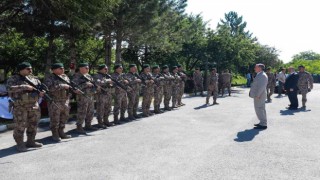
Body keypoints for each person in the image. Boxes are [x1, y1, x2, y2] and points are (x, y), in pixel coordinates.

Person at [7, 62, 44, 152]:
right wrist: (24, 87)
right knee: (20, 125)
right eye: (28, 68)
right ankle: (20, 144)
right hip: (20, 106)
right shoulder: (13, 79)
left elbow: (39, 88)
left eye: (31, 68)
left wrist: (41, 92)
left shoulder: (34, 78)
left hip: (33, 105)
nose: (30, 70)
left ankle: (31, 141)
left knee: (33, 124)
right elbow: (9, 89)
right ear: (21, 69)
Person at [44, 63, 73, 142]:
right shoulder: (50, 78)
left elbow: (69, 87)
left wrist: (69, 97)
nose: (62, 69)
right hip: (55, 101)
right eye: (60, 68)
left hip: (65, 100)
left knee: (64, 117)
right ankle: (55, 133)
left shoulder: (65, 77)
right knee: (55, 118)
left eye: (63, 68)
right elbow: (48, 89)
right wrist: (62, 86)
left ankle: (61, 131)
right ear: (54, 70)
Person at [73, 62, 99, 133]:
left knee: (90, 111)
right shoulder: (76, 76)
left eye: (88, 68)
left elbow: (93, 84)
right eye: (86, 68)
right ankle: (79, 127)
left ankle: (88, 125)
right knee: (82, 112)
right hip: (82, 97)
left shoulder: (89, 76)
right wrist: (85, 84)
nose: (88, 69)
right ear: (80, 68)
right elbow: (74, 87)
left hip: (90, 96)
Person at [249, 64, 268, 130]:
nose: (254, 68)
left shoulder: (262, 75)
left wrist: (258, 95)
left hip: (260, 95)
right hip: (260, 95)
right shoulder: (260, 74)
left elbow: (262, 86)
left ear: (259, 68)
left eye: (255, 67)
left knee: (259, 109)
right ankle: (262, 122)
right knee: (261, 109)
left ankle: (263, 124)